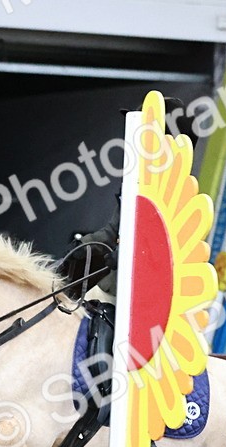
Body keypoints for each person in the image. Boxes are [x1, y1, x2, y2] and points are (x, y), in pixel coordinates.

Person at [60, 97, 197, 300]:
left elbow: (165, 249)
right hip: (116, 285)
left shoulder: (178, 192)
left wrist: (131, 254)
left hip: (150, 296)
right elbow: (113, 231)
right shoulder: (136, 181)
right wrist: (84, 245)